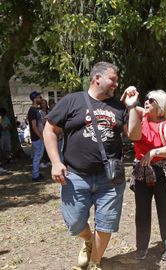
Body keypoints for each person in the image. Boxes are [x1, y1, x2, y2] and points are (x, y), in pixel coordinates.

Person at [44, 61, 132, 270]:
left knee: (106, 223)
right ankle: (88, 241)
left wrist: (131, 106)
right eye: (113, 79)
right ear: (97, 78)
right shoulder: (72, 101)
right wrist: (56, 163)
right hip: (75, 175)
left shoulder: (119, 107)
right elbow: (49, 130)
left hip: (110, 177)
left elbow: (134, 134)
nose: (116, 84)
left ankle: (95, 262)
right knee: (74, 222)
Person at [124, 88, 166, 261]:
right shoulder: (142, 116)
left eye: (151, 100)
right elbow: (128, 104)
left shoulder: (165, 126)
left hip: (161, 171)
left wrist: (154, 152)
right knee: (141, 211)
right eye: (146, 99)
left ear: (161, 106)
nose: (147, 102)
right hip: (142, 171)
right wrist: (129, 93)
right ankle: (141, 247)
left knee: (165, 209)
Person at [27, 91, 45, 182]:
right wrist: (40, 136)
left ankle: (36, 173)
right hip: (37, 137)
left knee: (38, 156)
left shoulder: (35, 110)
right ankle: (35, 175)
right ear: (35, 99)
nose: (41, 99)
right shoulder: (32, 111)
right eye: (39, 97)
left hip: (38, 136)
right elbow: (34, 126)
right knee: (37, 156)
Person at [39, 99, 51, 168]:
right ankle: (43, 161)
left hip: (49, 130)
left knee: (49, 146)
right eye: (42, 103)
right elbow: (42, 122)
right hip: (43, 130)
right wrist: (47, 119)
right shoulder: (40, 112)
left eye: (45, 103)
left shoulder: (49, 111)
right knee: (43, 147)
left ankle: (48, 160)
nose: (44, 105)